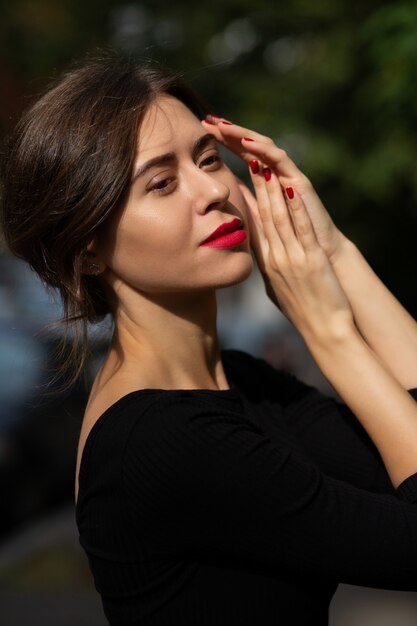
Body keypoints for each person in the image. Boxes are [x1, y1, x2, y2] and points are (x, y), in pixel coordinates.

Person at [2, 58, 417, 626]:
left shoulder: (243, 384)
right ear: (87, 250)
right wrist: (329, 333)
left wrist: (335, 251)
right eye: (162, 183)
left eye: (206, 159)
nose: (212, 191)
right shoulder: (162, 441)